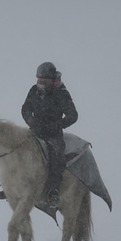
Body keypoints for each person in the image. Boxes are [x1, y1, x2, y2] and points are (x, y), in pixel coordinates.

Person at [21, 61, 78, 206]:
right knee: (19, 149)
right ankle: (14, 184)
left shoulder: (61, 93)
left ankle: (53, 191)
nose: (40, 84)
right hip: (35, 131)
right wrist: (31, 121)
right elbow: (25, 108)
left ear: (52, 81)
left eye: (43, 81)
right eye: (38, 81)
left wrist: (56, 125)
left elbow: (73, 115)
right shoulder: (34, 90)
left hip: (53, 134)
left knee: (56, 156)